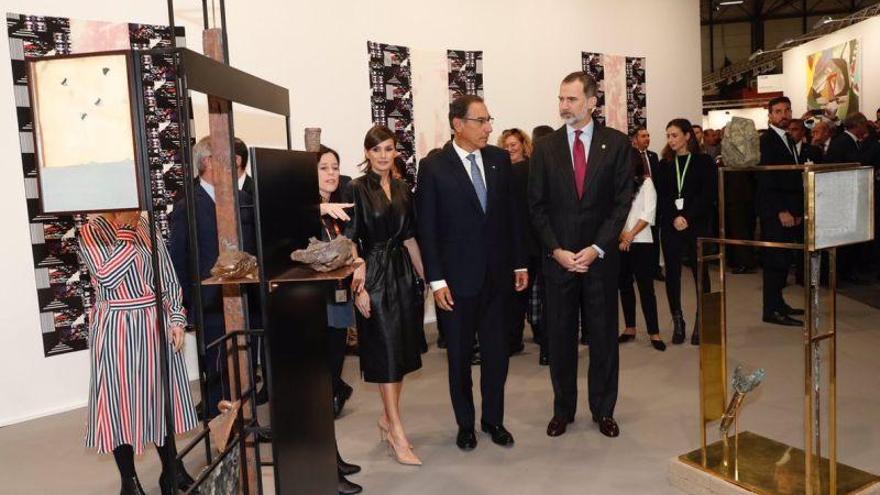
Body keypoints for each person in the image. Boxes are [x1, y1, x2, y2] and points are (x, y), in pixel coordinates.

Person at [417, 95, 528, 451]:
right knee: (460, 359)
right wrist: (436, 281)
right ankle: (465, 424)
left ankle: (493, 420)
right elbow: (428, 229)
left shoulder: (498, 160)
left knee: (497, 357)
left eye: (489, 120)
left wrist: (520, 262)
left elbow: (513, 216)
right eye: (481, 121)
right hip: (457, 283)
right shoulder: (434, 167)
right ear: (458, 124)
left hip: (498, 280)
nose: (489, 128)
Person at [529, 72, 633, 439]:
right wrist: (556, 250)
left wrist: (597, 247)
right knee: (560, 339)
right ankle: (563, 410)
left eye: (571, 100)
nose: (563, 106)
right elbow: (536, 206)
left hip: (600, 260)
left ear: (592, 102)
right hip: (558, 262)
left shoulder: (617, 145)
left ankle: (603, 409)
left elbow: (622, 203)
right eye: (560, 99)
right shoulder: (544, 147)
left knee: (604, 337)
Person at [78, 210, 198, 495]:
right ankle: (128, 481)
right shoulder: (90, 232)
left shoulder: (146, 223)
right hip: (116, 326)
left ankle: (172, 469)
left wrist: (177, 318)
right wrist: (126, 231)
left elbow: (167, 276)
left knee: (159, 398)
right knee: (119, 403)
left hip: (152, 320)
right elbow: (108, 277)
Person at [346, 125, 427, 466]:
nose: (382, 155)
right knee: (386, 354)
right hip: (374, 275)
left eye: (388, 149)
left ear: (395, 152)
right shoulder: (356, 188)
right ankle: (396, 431)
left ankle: (387, 418)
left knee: (402, 353)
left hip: (404, 275)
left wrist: (428, 280)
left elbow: (410, 238)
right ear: (367, 153)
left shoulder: (404, 187)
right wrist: (358, 286)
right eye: (375, 149)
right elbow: (350, 240)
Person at [169, 136, 258, 420]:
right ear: (208, 161)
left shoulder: (244, 200)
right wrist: (187, 306)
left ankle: (246, 424)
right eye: (232, 159)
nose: (239, 164)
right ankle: (221, 434)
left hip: (247, 300)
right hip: (210, 305)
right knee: (219, 370)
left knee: (246, 364)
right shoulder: (187, 207)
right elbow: (178, 261)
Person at [655, 118, 713, 345]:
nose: (670, 140)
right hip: (671, 226)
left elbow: (707, 195)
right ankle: (678, 322)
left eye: (675, 135)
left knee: (701, 273)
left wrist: (687, 217)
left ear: (688, 136)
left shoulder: (704, 162)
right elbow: (663, 197)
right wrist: (674, 218)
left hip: (695, 224)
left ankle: (701, 322)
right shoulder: (664, 164)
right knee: (672, 274)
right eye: (668, 136)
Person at [756, 96, 805, 326]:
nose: (783, 115)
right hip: (776, 212)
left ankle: (778, 303)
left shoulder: (787, 138)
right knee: (775, 260)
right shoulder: (767, 141)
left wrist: (796, 211)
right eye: (778, 111)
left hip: (790, 210)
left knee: (784, 259)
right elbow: (767, 180)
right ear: (770, 115)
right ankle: (771, 310)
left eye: (787, 110)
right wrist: (782, 211)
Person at [498, 128, 545, 362]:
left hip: (524, 244)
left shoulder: (517, 172)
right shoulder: (530, 170)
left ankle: (514, 340)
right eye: (505, 146)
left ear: (524, 145)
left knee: (518, 296)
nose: (509, 149)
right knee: (533, 295)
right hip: (531, 242)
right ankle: (540, 339)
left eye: (513, 145)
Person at [618, 146, 664, 351]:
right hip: (619, 242)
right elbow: (612, 213)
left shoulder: (646, 183)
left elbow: (649, 213)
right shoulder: (615, 184)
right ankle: (630, 328)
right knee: (624, 287)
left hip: (642, 242)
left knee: (646, 289)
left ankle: (654, 331)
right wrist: (622, 234)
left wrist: (630, 234)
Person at [631, 125, 664, 281]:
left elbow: (657, 180)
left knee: (654, 237)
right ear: (635, 139)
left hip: (653, 204)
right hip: (637, 206)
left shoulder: (653, 156)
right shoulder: (630, 156)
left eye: (648, 135)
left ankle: (655, 269)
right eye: (643, 136)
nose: (647, 139)